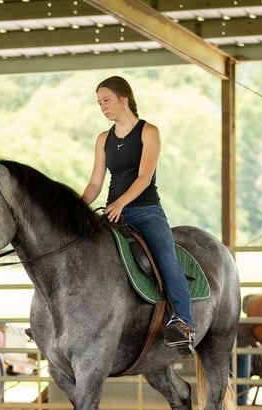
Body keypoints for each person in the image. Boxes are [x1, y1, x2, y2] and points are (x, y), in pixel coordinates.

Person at [81, 75, 195, 349]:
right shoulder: (103, 139)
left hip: (145, 210)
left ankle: (184, 322)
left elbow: (144, 177)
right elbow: (96, 182)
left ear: (125, 98)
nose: (103, 107)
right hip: (110, 212)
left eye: (106, 100)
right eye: (99, 103)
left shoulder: (149, 132)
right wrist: (74, 208)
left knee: (167, 259)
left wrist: (121, 203)